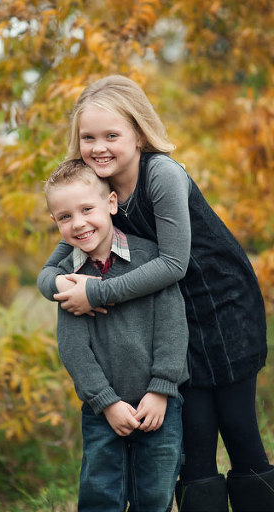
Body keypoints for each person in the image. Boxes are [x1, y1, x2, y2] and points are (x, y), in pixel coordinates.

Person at [38, 75, 273, 511]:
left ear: (139, 132)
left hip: (223, 306)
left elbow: (173, 264)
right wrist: (62, 286)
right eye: (88, 137)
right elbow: (53, 266)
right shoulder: (93, 189)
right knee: (195, 443)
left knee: (239, 429)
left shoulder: (161, 174)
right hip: (172, 319)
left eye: (112, 135)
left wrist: (99, 293)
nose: (99, 147)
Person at [44, 159, 188, 510]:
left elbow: (172, 327)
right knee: (100, 494)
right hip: (101, 410)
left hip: (159, 404)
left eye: (87, 209)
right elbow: (74, 349)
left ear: (111, 203)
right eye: (65, 217)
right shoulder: (69, 276)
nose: (78, 223)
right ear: (55, 222)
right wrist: (105, 401)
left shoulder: (150, 258)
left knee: (154, 494)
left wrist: (161, 388)